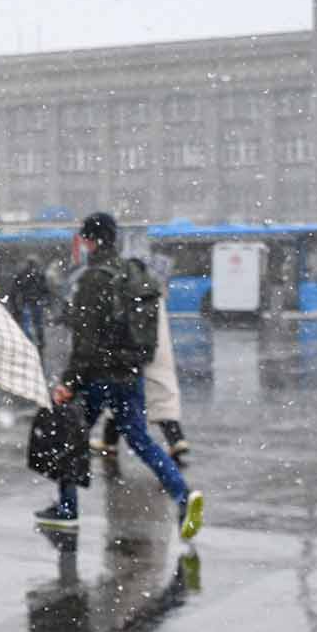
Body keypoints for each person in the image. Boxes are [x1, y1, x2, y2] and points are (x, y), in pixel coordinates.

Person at [37, 213, 205, 539]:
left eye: (84, 239)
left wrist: (69, 382)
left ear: (90, 241)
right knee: (141, 441)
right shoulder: (132, 273)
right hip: (130, 374)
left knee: (70, 438)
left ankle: (67, 509)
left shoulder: (93, 279)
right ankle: (183, 495)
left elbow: (85, 342)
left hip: (98, 376)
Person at [96, 308, 193, 466]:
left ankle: (109, 441)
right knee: (161, 386)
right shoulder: (154, 298)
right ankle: (176, 437)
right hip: (153, 330)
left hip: (130, 333)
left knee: (121, 386)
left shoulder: (123, 298)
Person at [7, 256, 51, 349]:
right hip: (33, 302)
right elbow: (45, 290)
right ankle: (37, 342)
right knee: (35, 324)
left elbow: (15, 290)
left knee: (30, 325)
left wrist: (15, 304)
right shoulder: (37, 275)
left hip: (30, 302)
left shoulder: (25, 275)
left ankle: (32, 343)